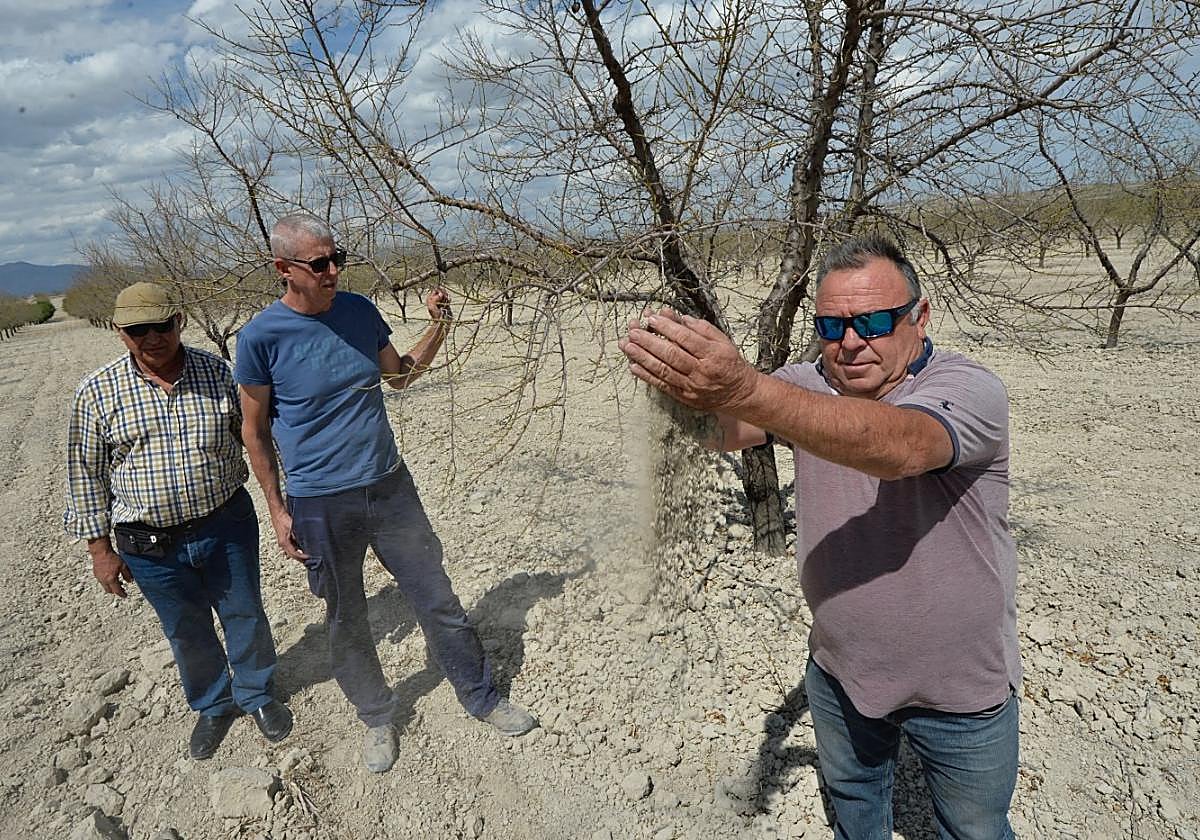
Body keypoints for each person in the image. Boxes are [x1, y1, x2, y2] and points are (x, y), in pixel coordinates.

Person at [620, 235, 1020, 839]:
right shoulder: (805, 383)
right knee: (855, 804)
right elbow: (725, 430)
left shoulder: (967, 390)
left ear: (920, 317)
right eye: (831, 326)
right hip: (839, 671)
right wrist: (679, 385)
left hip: (959, 688)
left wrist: (746, 388)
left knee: (974, 829)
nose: (851, 342)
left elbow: (897, 447)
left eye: (875, 322)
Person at [236, 213, 535, 774]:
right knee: (347, 616)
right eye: (318, 263)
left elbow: (399, 376)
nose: (333, 270)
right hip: (320, 502)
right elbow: (254, 432)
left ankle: (482, 697)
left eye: (336, 258)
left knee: (436, 596)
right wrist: (277, 510)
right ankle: (377, 716)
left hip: (390, 487)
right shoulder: (260, 338)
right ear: (283, 269)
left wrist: (439, 325)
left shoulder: (359, 311)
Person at [64, 282, 292, 761]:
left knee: (245, 613)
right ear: (119, 331)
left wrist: (285, 500)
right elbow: (84, 474)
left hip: (224, 522)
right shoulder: (96, 392)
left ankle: (256, 694)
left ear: (179, 321)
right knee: (186, 629)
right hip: (149, 545)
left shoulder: (217, 372)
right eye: (137, 330)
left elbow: (254, 438)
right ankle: (213, 704)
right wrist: (99, 550)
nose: (152, 337)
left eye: (161, 325)